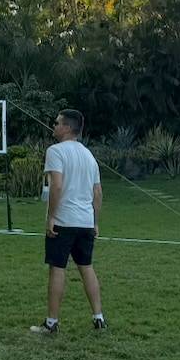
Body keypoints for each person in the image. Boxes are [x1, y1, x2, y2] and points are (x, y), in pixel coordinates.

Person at [31, 109, 106, 334]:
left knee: (57, 269)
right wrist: (94, 221)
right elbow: (98, 192)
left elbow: (56, 185)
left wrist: (51, 217)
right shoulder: (89, 155)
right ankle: (98, 317)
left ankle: (51, 323)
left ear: (67, 128)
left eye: (56, 123)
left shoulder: (55, 151)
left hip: (63, 221)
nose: (53, 127)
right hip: (85, 221)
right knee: (87, 268)